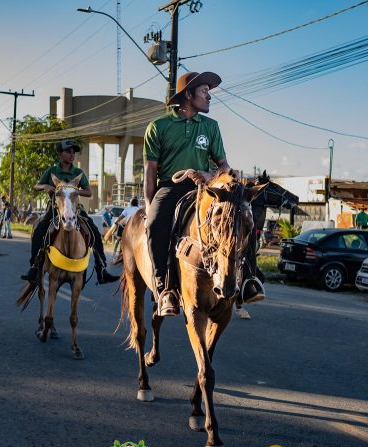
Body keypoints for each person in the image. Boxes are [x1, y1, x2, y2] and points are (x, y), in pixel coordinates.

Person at [143, 71, 264, 317]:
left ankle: (250, 279)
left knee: (242, 215)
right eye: (204, 92)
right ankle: (163, 288)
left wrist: (209, 176)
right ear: (188, 95)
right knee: (155, 225)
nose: (209, 97)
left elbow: (224, 167)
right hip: (171, 187)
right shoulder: (158, 127)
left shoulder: (211, 127)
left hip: (206, 189)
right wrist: (149, 205)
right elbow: (150, 170)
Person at [20, 139, 120, 284]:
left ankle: (102, 269)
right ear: (60, 154)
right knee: (38, 230)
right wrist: (46, 186)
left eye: (73, 152)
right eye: (68, 151)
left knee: (94, 232)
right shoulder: (52, 170)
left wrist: (74, 191)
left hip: (76, 210)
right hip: (54, 210)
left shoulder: (78, 172)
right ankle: (34, 267)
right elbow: (37, 185)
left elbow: (88, 192)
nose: (71, 154)